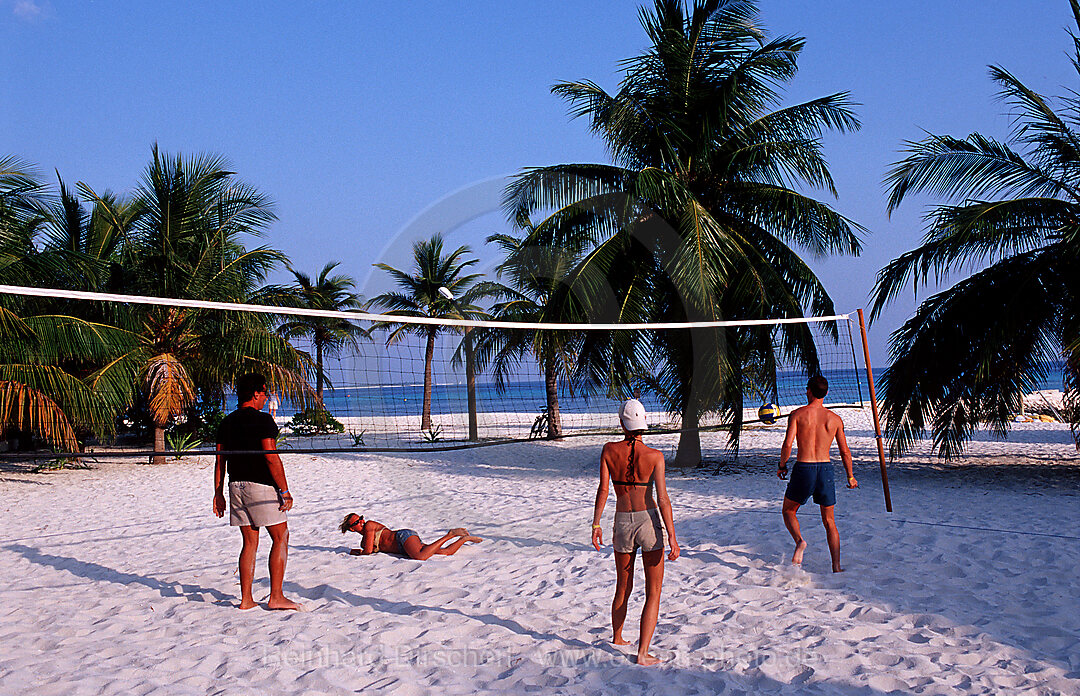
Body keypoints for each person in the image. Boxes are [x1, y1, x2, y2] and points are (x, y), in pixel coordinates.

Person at [591, 399, 679, 666]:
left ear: (622, 424)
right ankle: (642, 653)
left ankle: (617, 637)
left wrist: (596, 524)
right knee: (653, 591)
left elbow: (604, 490)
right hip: (648, 521)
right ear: (643, 425)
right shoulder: (655, 456)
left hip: (622, 521)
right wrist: (672, 536)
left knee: (623, 586)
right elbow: (663, 499)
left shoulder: (609, 450)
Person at [213, 373, 300, 610]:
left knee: (249, 543)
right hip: (259, 487)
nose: (266, 398)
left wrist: (218, 493)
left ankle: (246, 599)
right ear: (256, 394)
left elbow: (220, 461)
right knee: (281, 536)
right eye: (264, 394)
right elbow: (270, 457)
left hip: (235, 486)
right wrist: (285, 490)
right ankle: (276, 596)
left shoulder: (226, 422)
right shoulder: (263, 420)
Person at [777, 375, 858, 573]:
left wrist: (782, 465)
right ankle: (836, 567)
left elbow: (788, 444)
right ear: (826, 393)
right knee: (829, 521)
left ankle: (800, 542)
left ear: (809, 391)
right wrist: (850, 476)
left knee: (789, 510)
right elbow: (845, 451)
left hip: (804, 467)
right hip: (825, 469)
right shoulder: (835, 419)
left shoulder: (797, 414)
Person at [339, 514, 482, 560]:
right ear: (352, 528)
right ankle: (464, 539)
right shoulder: (363, 540)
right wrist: (357, 551)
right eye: (358, 522)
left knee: (421, 556)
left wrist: (355, 552)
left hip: (403, 537)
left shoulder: (369, 526)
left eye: (361, 518)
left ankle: (450, 534)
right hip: (403, 548)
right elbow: (366, 550)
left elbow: (368, 551)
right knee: (445, 552)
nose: (362, 522)